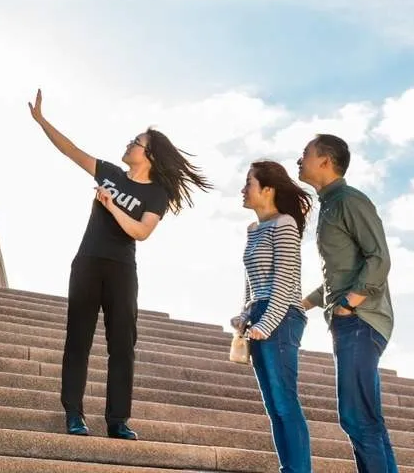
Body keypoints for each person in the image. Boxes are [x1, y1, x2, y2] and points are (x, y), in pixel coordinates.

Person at [28, 88, 211, 440]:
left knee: (122, 345)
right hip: (87, 263)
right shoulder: (109, 172)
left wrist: (112, 206)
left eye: (136, 142)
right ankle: (74, 415)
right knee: (77, 340)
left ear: (150, 155)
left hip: (121, 269)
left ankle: (117, 420)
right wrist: (41, 121)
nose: (129, 145)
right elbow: (71, 151)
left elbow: (141, 232)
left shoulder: (158, 193)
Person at [296, 134, 398, 472]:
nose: (300, 159)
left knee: (357, 418)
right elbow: (338, 274)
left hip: (360, 319)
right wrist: (304, 303)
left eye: (306, 153)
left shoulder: (349, 200)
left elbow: (378, 259)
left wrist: (349, 305)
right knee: (368, 420)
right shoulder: (329, 204)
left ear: (325, 161)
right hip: (351, 320)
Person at [232, 160, 313, 473]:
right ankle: (288, 468)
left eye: (248, 182)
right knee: (273, 407)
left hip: (283, 317)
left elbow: (284, 281)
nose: (243, 189)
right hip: (260, 314)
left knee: (285, 402)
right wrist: (244, 315)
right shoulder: (254, 229)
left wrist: (266, 325)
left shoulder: (285, 225)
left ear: (267, 189)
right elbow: (252, 281)